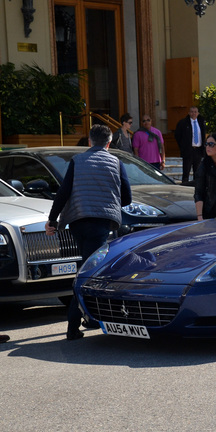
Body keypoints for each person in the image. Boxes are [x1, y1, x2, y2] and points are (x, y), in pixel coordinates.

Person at [45, 124, 132, 340]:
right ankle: (73, 326)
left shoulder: (77, 161)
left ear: (90, 141)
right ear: (109, 143)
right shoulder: (116, 162)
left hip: (77, 221)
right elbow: (127, 198)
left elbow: (63, 192)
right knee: (89, 272)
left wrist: (52, 220)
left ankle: (90, 318)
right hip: (100, 223)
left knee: (88, 266)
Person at [175, 106, 206, 184]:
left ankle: (197, 187)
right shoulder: (183, 123)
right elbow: (178, 136)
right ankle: (185, 185)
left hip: (198, 150)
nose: (193, 113)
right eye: (192, 112)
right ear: (189, 113)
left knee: (197, 171)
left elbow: (203, 135)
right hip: (188, 150)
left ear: (198, 113)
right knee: (186, 171)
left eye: (195, 112)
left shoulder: (201, 123)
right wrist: (183, 147)